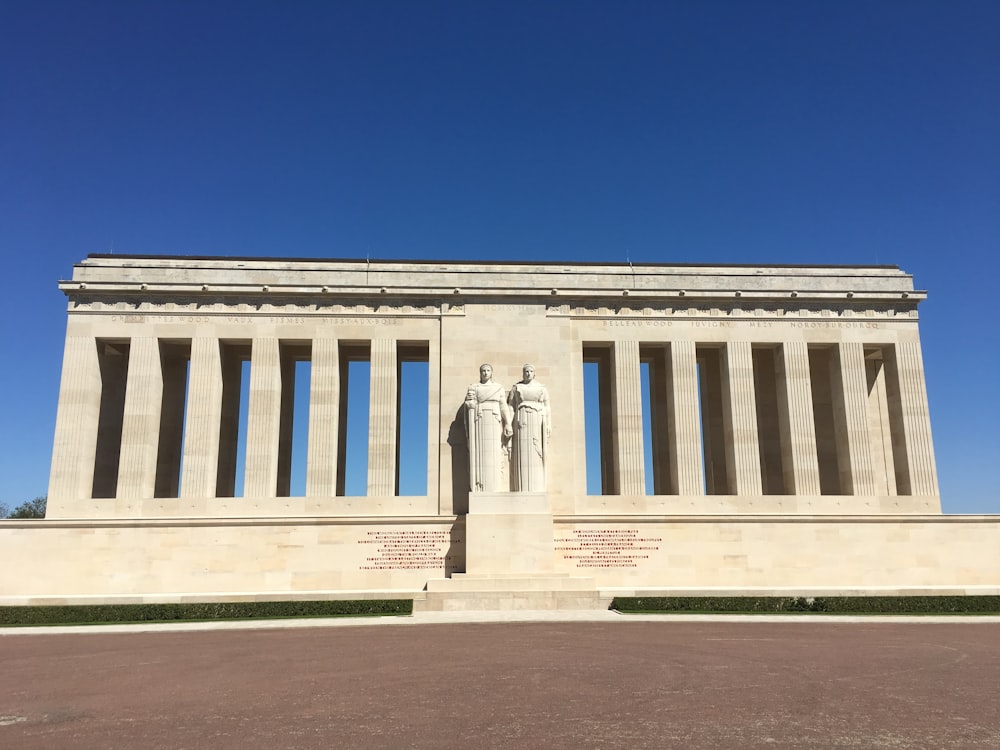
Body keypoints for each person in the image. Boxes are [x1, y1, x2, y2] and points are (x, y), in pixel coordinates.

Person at [464, 364, 512, 493]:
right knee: (480, 452)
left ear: (492, 372)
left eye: (488, 370)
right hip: (479, 421)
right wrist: (469, 403)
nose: (485, 373)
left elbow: (503, 406)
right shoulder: (474, 387)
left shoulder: (498, 388)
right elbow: (469, 406)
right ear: (480, 373)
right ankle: (480, 486)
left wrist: (508, 423)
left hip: (495, 420)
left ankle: (494, 486)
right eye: (483, 371)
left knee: (496, 451)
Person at [507, 363, 551, 492]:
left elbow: (547, 407)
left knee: (536, 450)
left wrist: (548, 424)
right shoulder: (517, 388)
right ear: (523, 373)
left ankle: (536, 487)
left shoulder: (541, 388)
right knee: (522, 450)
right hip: (521, 420)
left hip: (537, 420)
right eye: (526, 371)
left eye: (530, 371)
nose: (528, 373)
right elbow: (511, 406)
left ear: (534, 373)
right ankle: (521, 487)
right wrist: (508, 424)